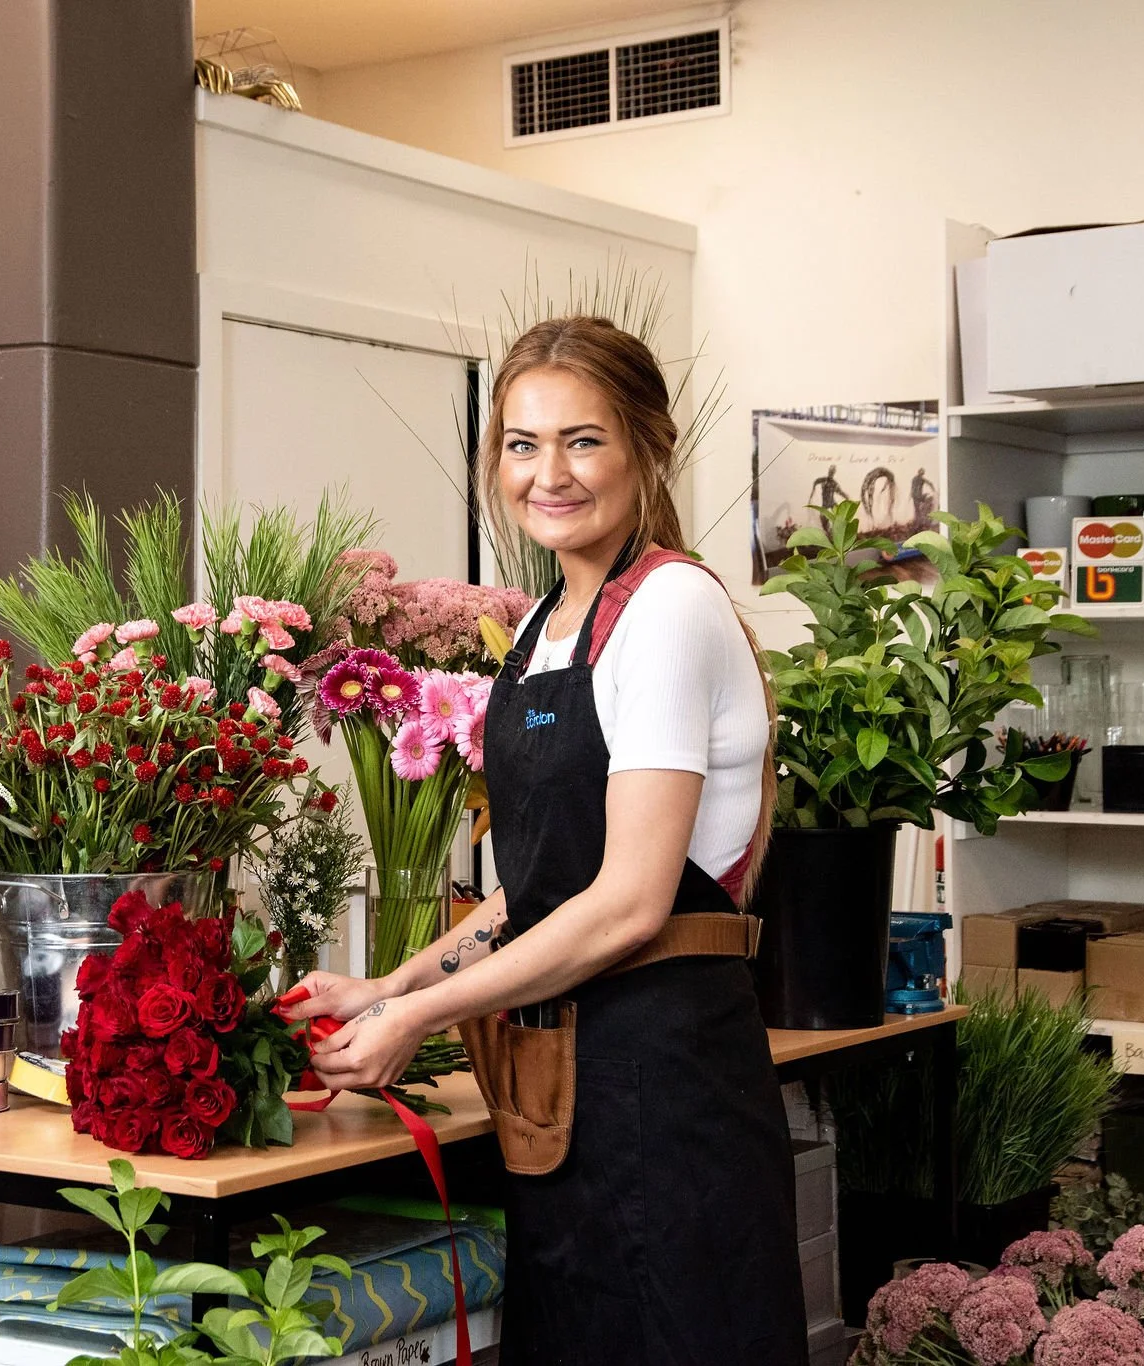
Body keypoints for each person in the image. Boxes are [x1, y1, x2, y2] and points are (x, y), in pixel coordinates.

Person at [283, 316, 808, 1364]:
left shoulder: (668, 607)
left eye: (583, 440)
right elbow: (538, 890)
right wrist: (388, 986)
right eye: (522, 444)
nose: (548, 474)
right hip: (563, 1090)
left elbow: (627, 903)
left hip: (665, 1087)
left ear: (646, 447)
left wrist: (417, 1015)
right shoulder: (542, 627)